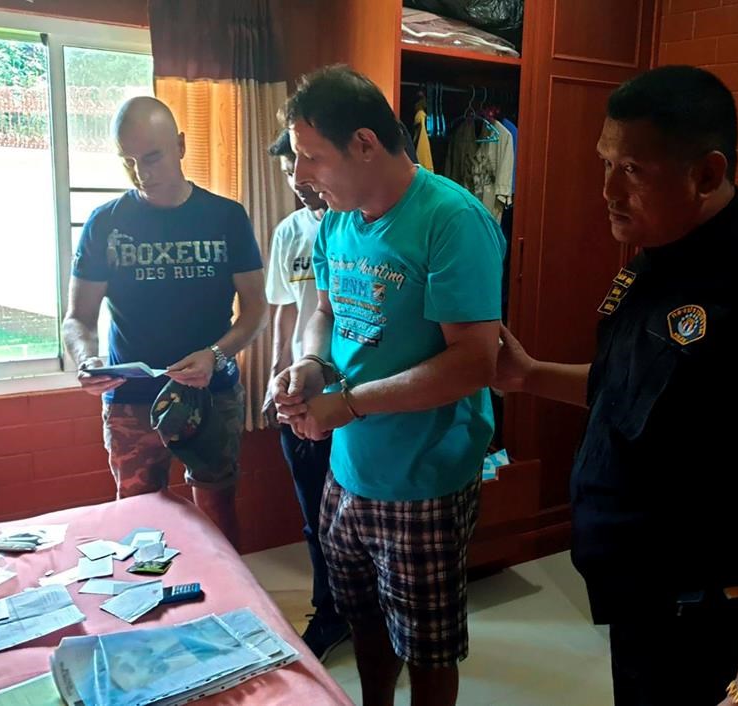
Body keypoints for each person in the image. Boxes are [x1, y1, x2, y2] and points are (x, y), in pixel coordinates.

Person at [494, 66, 738, 706]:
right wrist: (529, 377)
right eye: (606, 162)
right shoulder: (657, 257)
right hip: (642, 608)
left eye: (632, 170)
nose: (606, 188)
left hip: (715, 626)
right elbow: (632, 397)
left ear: (707, 174)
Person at [270, 66, 505, 706]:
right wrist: (311, 366)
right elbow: (325, 311)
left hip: (423, 476)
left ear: (367, 144)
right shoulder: (337, 221)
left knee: (426, 648)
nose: (304, 176)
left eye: (313, 159)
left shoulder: (451, 219)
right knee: (363, 624)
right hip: (348, 468)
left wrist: (344, 403)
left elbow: (473, 363)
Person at [64, 97, 267, 548]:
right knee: (138, 518)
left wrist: (216, 355)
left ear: (180, 144)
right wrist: (87, 358)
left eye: (151, 157)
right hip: (132, 398)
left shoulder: (226, 216)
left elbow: (256, 309)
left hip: (210, 394)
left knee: (216, 511)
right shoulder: (105, 223)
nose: (141, 173)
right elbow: (77, 318)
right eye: (128, 161)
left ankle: (226, 607)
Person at [263, 128, 351, 660]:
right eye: (286, 172)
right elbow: (283, 312)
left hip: (353, 397)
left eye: (303, 165)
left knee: (357, 520)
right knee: (314, 515)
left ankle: (367, 613)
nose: (297, 182)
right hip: (300, 394)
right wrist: (276, 378)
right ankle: (329, 612)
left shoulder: (356, 226)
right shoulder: (289, 232)